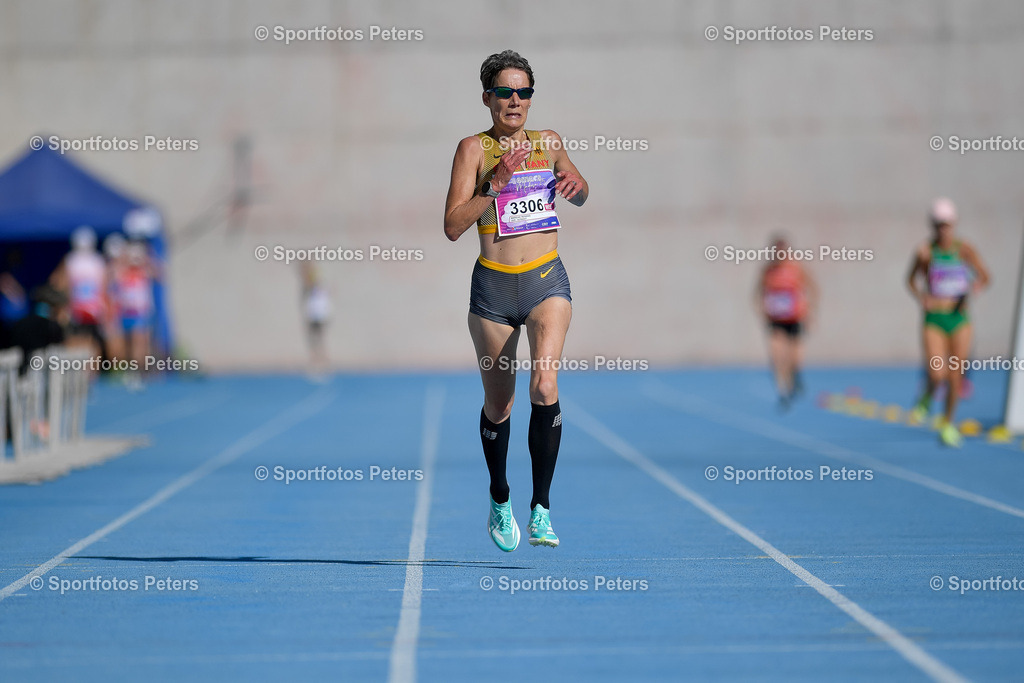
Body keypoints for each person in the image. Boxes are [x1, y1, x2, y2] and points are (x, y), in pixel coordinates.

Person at [444, 50, 588, 551]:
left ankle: (541, 507)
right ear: (487, 98)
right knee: (500, 403)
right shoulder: (473, 149)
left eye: (523, 92)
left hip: (547, 278)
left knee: (545, 386)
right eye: (505, 92)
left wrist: (577, 186)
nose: (515, 101)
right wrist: (494, 183)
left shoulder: (548, 142)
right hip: (494, 288)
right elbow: (453, 226)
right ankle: (500, 495)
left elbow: (579, 185)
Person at [907, 198, 990, 447]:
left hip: (959, 319)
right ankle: (927, 396)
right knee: (937, 372)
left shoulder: (964, 249)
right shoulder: (925, 252)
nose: (943, 229)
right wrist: (922, 297)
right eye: (938, 225)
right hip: (934, 319)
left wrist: (975, 286)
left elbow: (985, 276)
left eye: (947, 225)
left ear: (953, 225)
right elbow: (910, 280)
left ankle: (948, 423)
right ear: (932, 225)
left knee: (955, 376)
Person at [757, 236, 817, 409]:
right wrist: (762, 309)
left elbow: (812, 287)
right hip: (775, 319)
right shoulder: (767, 270)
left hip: (794, 317)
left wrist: (810, 310)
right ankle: (782, 390)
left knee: (794, 356)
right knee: (776, 355)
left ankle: (796, 376)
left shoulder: (796, 267)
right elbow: (760, 291)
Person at [51, 226, 108, 360]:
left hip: (77, 309)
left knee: (76, 340)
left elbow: (57, 283)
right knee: (93, 342)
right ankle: (92, 373)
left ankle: (81, 372)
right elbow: (105, 287)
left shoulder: (71, 260)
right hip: (93, 309)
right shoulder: (98, 261)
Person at [300, 261, 331, 378]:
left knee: (318, 339)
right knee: (314, 340)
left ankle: (323, 363)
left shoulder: (316, 286)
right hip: (314, 315)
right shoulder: (311, 288)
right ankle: (317, 362)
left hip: (318, 315)